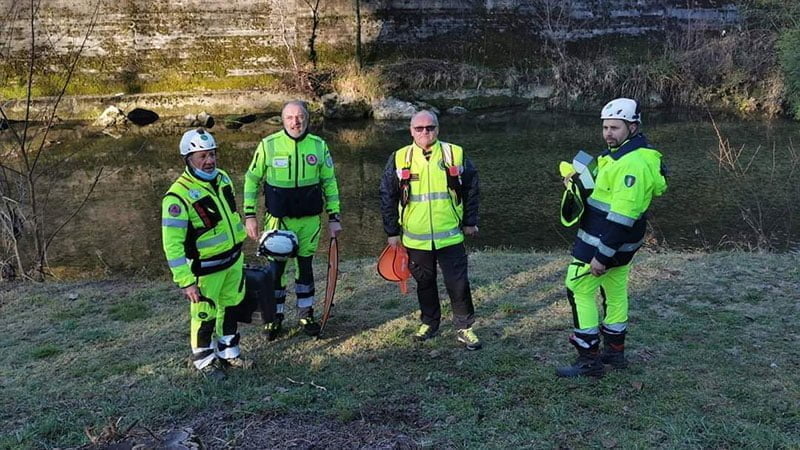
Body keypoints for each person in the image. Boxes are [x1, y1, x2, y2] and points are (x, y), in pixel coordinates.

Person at [556, 98, 668, 377]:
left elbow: (622, 216)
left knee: (578, 288)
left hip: (602, 244)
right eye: (605, 127)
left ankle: (588, 360)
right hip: (618, 244)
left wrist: (601, 256)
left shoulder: (632, 165)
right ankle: (614, 353)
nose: (608, 133)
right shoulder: (621, 156)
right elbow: (606, 193)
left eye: (615, 128)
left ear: (633, 127)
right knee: (615, 292)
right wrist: (579, 181)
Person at [379, 110, 482, 350]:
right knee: (425, 283)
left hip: (450, 235)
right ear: (411, 131)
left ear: (438, 128)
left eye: (430, 127)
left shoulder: (454, 153)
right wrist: (391, 231)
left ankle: (465, 327)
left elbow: (472, 188)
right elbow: (387, 194)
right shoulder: (399, 157)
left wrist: (470, 221)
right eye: (419, 128)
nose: (425, 132)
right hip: (415, 238)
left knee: (458, 284)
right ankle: (429, 322)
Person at [243, 101, 342, 339]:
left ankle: (306, 314)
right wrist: (249, 215)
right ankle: (273, 317)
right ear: (282, 120)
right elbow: (251, 179)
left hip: (309, 221)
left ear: (307, 119)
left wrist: (334, 216)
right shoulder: (268, 145)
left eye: (300, 117)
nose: (295, 122)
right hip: (279, 221)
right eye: (290, 117)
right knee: (275, 271)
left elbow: (329, 182)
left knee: (305, 269)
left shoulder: (318, 146)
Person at [161, 128, 249, 380]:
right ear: (188, 159)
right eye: (202, 156)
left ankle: (228, 352)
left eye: (212, 154)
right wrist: (185, 281)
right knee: (205, 314)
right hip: (204, 268)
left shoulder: (223, 179)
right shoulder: (177, 196)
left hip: (233, 260)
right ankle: (204, 360)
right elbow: (172, 245)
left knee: (230, 307)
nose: (209, 160)